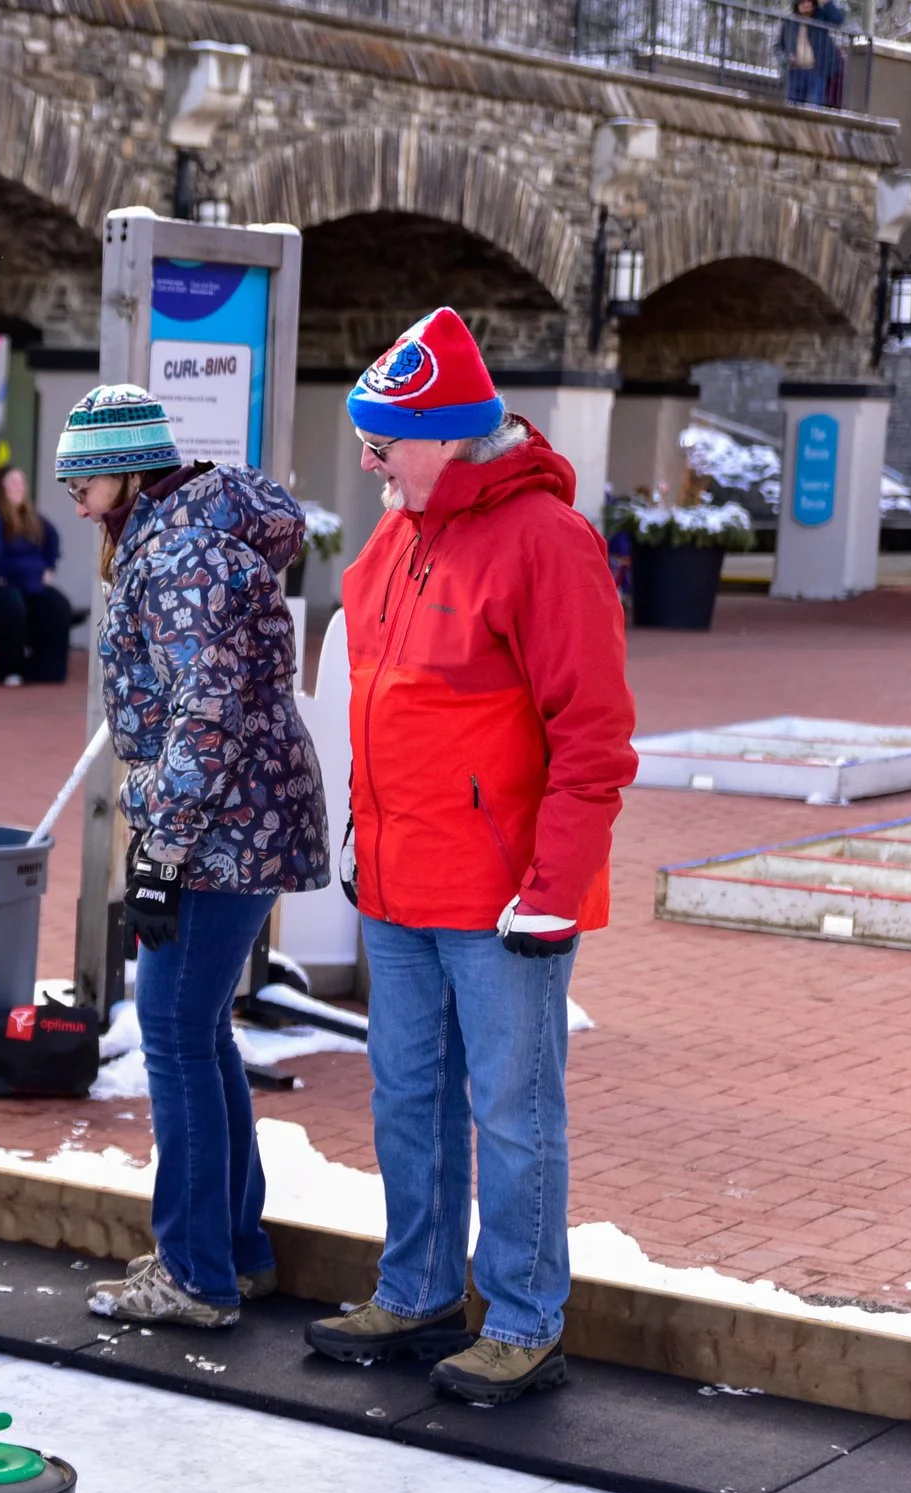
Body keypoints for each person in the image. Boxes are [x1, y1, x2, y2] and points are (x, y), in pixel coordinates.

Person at [304, 307, 636, 1404]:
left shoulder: (546, 542)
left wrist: (550, 892)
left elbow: (592, 738)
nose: (367, 459)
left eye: (383, 439)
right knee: (406, 1098)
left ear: (445, 436)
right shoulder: (398, 535)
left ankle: (526, 1319)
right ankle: (417, 1292)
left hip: (502, 901)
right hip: (400, 884)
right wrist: (361, 835)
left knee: (512, 1110)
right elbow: (382, 708)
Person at [53, 385, 329, 1328]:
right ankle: (231, 1249)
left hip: (218, 825)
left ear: (130, 472)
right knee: (200, 1031)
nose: (77, 502)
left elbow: (202, 720)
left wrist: (160, 857)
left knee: (172, 1033)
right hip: (237, 815)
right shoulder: (192, 530)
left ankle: (195, 1274)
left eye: (86, 482)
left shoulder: (180, 557)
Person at [0, 463, 73, 686]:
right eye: (13, 483)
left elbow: (52, 536)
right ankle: (11, 669)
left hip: (24, 582)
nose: (20, 487)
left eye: (22, 482)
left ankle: (48, 670)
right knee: (11, 604)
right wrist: (0, 575)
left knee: (57, 605)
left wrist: (49, 567)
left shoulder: (28, 515)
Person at [775, 0, 845, 107]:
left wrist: (826, 3)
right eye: (802, 2)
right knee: (791, 109)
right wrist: (786, 59)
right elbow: (778, 47)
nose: (806, 5)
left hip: (816, 72)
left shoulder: (820, 18)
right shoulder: (789, 22)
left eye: (809, 2)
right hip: (795, 72)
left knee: (813, 108)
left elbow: (838, 20)